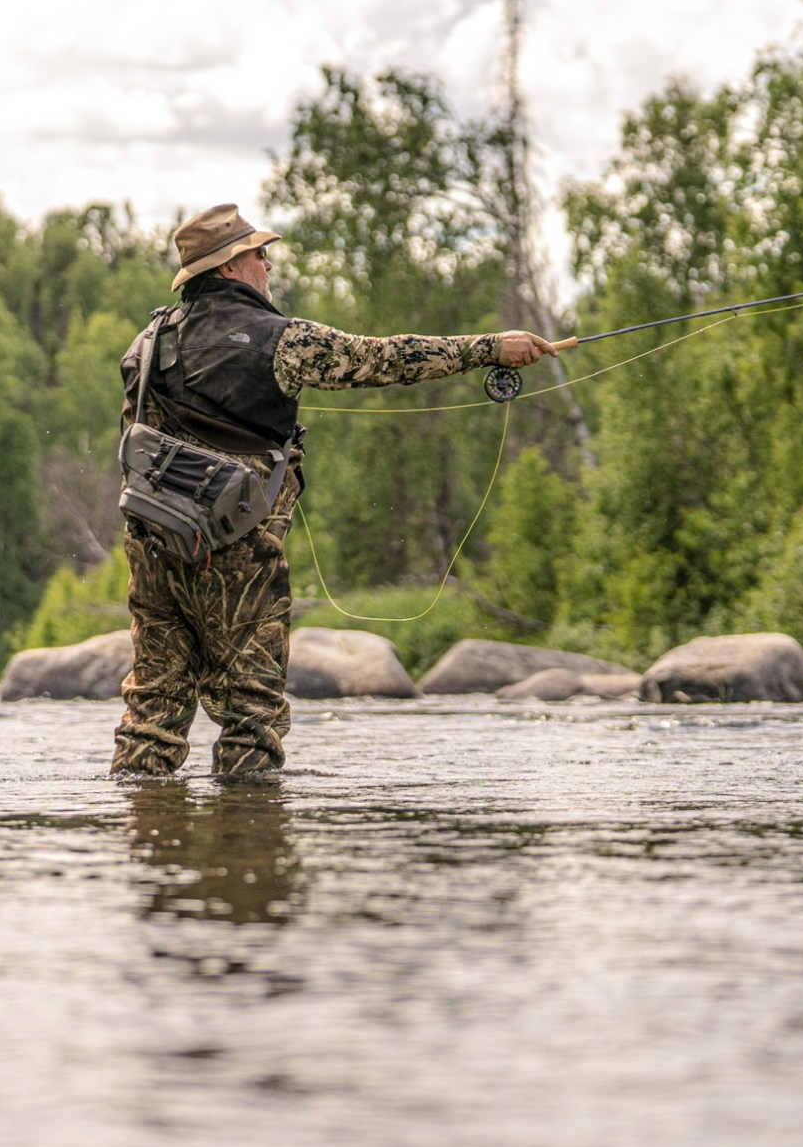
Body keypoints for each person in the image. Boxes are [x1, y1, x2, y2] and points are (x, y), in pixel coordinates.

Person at [110, 203, 557, 777]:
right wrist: (491, 347)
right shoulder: (281, 339)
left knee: (152, 706)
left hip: (150, 542)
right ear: (229, 269)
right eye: (258, 255)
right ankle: (251, 851)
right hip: (237, 545)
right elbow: (386, 358)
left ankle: (147, 847)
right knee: (252, 711)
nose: (267, 265)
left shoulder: (147, 343)